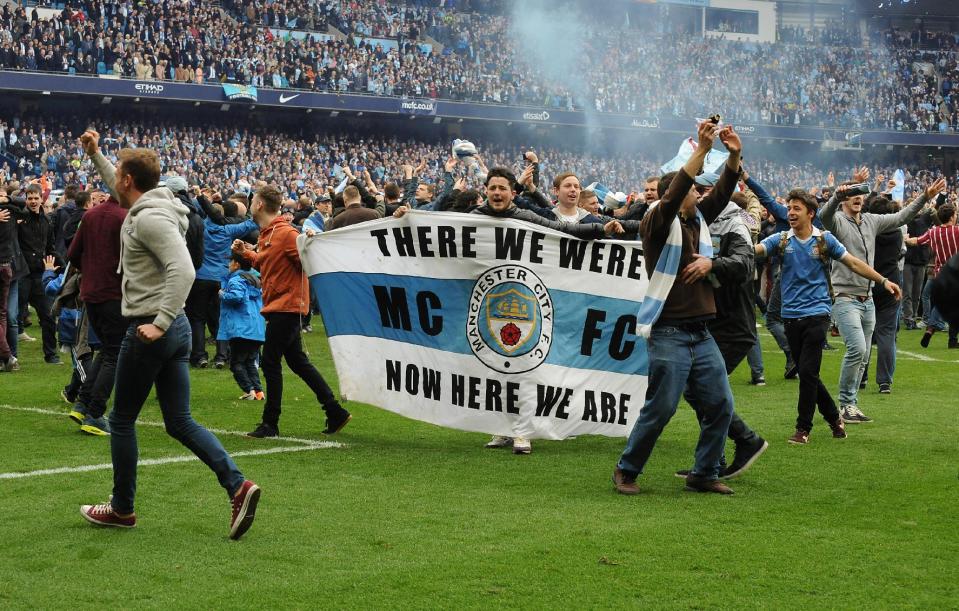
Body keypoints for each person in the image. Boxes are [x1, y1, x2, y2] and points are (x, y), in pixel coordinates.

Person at [77, 129, 260, 539]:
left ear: (130, 181)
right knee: (178, 420)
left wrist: (158, 322)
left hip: (152, 328)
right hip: (174, 328)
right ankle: (238, 486)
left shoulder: (152, 217)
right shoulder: (154, 203)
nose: (114, 182)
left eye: (119, 174)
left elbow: (185, 269)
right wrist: (97, 155)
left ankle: (122, 509)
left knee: (121, 420)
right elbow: (119, 184)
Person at [395, 167, 630, 455]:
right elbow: (436, 230)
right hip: (486, 305)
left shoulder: (525, 218)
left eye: (502, 188)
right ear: (486, 191)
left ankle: (523, 431)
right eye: (492, 188)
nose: (497, 193)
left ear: (512, 192)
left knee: (525, 370)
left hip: (525, 303)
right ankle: (503, 428)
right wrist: (407, 219)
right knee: (493, 369)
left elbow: (563, 231)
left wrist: (599, 229)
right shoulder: (474, 219)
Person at [612, 122, 742, 496]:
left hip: (701, 332)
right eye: (692, 189)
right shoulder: (657, 221)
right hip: (668, 331)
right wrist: (699, 150)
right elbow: (677, 193)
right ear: (675, 193)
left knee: (720, 404)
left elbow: (722, 191)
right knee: (662, 407)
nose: (700, 194)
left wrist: (733, 155)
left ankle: (704, 472)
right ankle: (627, 468)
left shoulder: (696, 220)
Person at [756, 189, 901, 444]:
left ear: (810, 214)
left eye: (796, 208)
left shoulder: (824, 240)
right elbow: (757, 250)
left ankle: (803, 429)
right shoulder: (781, 240)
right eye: (789, 208)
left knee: (808, 373)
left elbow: (854, 263)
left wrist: (883, 280)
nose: (790, 212)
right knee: (807, 372)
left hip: (817, 315)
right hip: (790, 317)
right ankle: (835, 418)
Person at [819, 173, 944, 424]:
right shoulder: (838, 222)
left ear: (864, 199)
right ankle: (845, 404)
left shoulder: (871, 221)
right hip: (846, 298)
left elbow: (902, 217)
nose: (856, 198)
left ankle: (851, 405)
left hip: (868, 300)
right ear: (844, 200)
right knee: (858, 349)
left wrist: (924, 197)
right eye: (850, 195)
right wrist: (836, 195)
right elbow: (823, 216)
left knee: (864, 355)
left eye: (859, 195)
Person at [232, 184, 352, 439]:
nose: (251, 203)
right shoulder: (268, 234)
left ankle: (270, 422)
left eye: (253, 200)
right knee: (297, 361)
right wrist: (246, 253)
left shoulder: (286, 234)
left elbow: (308, 262)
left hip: (287, 307)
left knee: (269, 362)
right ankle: (334, 410)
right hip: (280, 305)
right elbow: (266, 264)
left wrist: (309, 244)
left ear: (260, 204)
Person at [66, 191, 127, 435]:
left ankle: (82, 403)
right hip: (114, 293)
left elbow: (72, 254)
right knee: (114, 354)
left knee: (104, 349)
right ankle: (95, 413)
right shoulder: (125, 217)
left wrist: (91, 271)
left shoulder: (90, 215)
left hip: (91, 292)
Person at [13, 184, 60, 363]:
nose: (33, 201)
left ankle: (51, 355)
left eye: (36, 198)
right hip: (22, 274)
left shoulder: (47, 221)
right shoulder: (19, 219)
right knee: (13, 316)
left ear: (42, 199)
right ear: (26, 199)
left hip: (40, 275)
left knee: (48, 317)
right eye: (30, 198)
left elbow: (51, 247)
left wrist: (61, 266)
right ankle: (10, 357)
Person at [907, 202, 959, 348]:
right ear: (951, 217)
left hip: (939, 273)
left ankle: (932, 329)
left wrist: (905, 239)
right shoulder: (957, 231)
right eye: (955, 214)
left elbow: (917, 241)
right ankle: (952, 339)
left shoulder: (933, 232)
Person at [218, 253, 265, 400]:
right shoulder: (255, 281)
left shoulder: (236, 280)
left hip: (241, 328)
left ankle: (249, 390)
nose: (228, 265)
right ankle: (259, 392)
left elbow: (236, 297)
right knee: (250, 361)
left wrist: (222, 294)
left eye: (230, 262)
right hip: (256, 328)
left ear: (237, 264)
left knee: (236, 362)